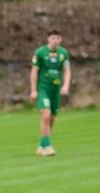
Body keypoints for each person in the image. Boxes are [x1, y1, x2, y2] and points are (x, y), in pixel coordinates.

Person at [30, 28, 71, 156]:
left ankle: (42, 145)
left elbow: (67, 70)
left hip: (56, 89)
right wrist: (33, 90)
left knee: (52, 117)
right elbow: (34, 71)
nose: (55, 40)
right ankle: (48, 146)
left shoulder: (63, 53)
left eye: (58, 38)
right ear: (48, 39)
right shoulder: (40, 52)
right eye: (53, 38)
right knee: (46, 114)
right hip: (43, 88)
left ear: (61, 39)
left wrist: (66, 86)